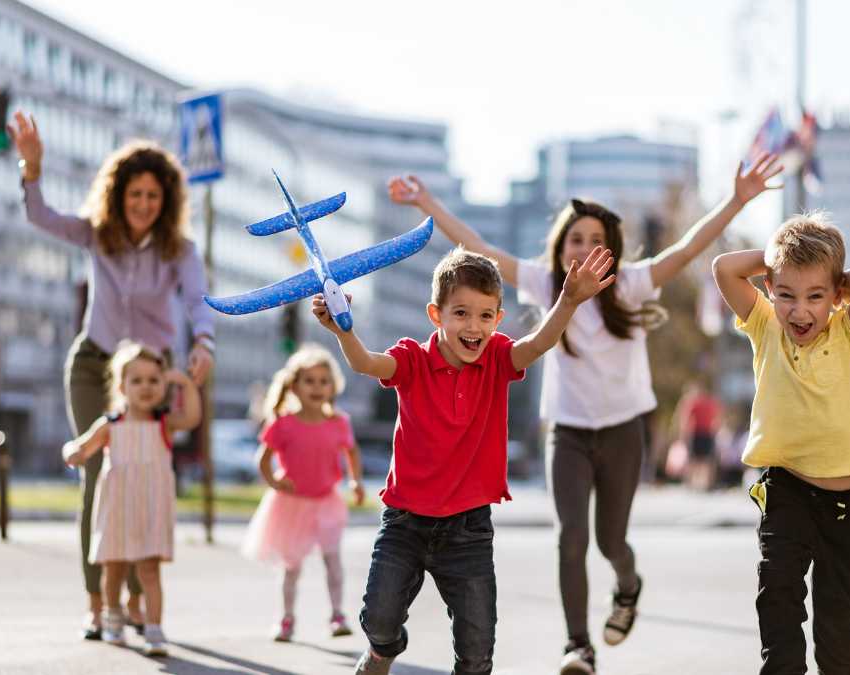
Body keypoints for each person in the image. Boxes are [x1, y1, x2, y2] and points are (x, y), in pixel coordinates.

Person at [387, 152, 782, 673]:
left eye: (596, 239)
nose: (585, 247)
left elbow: (688, 248)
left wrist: (737, 199)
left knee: (610, 540)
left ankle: (627, 584)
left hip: (622, 431)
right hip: (568, 432)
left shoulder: (631, 284)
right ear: (560, 247)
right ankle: (578, 645)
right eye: (575, 238)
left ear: (611, 250)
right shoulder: (545, 284)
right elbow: (480, 249)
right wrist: (426, 202)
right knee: (570, 538)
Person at [314, 246, 614, 674]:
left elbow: (538, 344)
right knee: (378, 619)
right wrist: (342, 330)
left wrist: (567, 301)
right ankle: (382, 651)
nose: (474, 326)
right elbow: (365, 363)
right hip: (405, 522)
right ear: (436, 315)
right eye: (461, 313)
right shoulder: (412, 359)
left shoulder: (497, 358)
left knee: (477, 651)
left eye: (485, 315)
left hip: (467, 530)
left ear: (498, 319)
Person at [8, 112, 216, 640]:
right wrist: (32, 168)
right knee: (99, 477)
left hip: (151, 374)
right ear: (118, 196)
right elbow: (42, 217)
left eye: (153, 196)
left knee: (147, 479)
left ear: (166, 200)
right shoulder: (96, 233)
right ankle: (98, 602)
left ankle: (139, 600)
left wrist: (204, 343)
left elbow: (198, 300)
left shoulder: (180, 249)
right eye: (134, 194)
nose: (143, 204)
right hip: (94, 363)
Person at [712, 212, 850, 674]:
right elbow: (724, 268)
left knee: (837, 631)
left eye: (815, 295)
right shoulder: (764, 325)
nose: (800, 310)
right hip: (786, 489)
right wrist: (775, 257)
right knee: (777, 594)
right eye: (787, 294)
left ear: (836, 295)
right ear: (770, 288)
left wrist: (840, 277)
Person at [62, 341, 202, 657]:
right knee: (114, 569)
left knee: (149, 570)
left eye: (153, 380)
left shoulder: (164, 423)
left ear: (163, 384)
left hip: (150, 510)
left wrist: (185, 382)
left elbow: (193, 417)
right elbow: (81, 446)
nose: (146, 387)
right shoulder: (110, 424)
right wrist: (73, 452)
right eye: (136, 380)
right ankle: (112, 617)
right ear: (121, 386)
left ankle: (154, 628)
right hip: (118, 508)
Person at [241, 344, 365, 643]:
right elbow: (263, 459)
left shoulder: (339, 422)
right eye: (309, 381)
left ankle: (337, 615)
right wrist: (274, 482)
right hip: (291, 504)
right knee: (291, 567)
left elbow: (351, 452)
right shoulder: (283, 424)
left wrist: (356, 482)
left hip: (326, 501)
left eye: (324, 381)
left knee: (332, 560)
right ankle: (286, 619)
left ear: (333, 387)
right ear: (294, 386)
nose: (317, 387)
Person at [674, 380, 723, 491]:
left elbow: (685, 420)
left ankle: (695, 483)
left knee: (698, 459)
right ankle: (701, 483)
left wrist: (683, 435)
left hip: (701, 433)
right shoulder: (709, 402)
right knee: (702, 459)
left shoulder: (695, 402)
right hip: (703, 433)